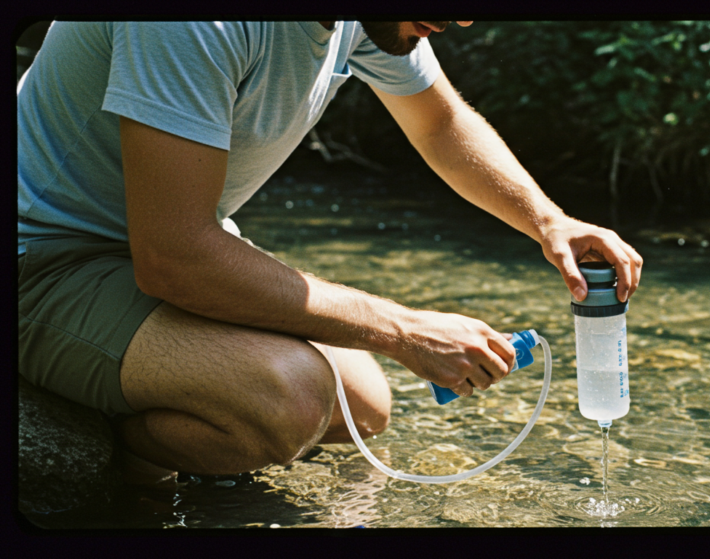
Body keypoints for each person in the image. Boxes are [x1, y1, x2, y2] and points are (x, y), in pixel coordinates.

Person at [17, 20, 643, 485]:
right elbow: (175, 257)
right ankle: (117, 481)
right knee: (290, 401)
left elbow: (440, 123)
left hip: (152, 237)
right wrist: (403, 329)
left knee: (363, 409)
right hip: (42, 253)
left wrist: (549, 222)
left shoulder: (364, 19)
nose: (465, 21)